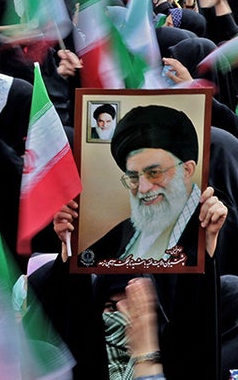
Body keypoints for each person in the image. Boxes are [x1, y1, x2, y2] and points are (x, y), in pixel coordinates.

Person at [84, 105, 203, 267]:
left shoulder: (215, 228)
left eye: (154, 173)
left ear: (187, 170)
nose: (143, 188)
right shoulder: (129, 228)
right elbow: (81, 272)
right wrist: (66, 246)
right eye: (133, 177)